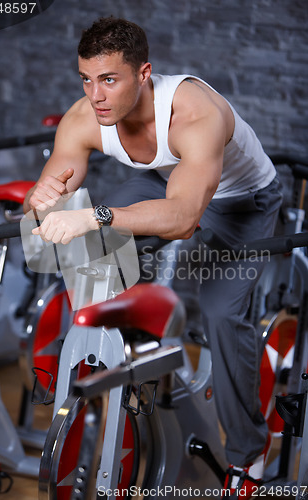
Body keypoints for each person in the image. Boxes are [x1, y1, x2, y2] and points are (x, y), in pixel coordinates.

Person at [23, 16, 282, 498]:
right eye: (85, 78)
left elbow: (184, 217)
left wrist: (95, 215)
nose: (95, 94)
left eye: (108, 79)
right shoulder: (85, 117)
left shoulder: (192, 112)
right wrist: (43, 198)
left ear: (143, 74)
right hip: (167, 180)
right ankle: (90, 371)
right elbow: (48, 196)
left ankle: (249, 452)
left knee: (224, 314)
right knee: (91, 254)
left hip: (241, 200)